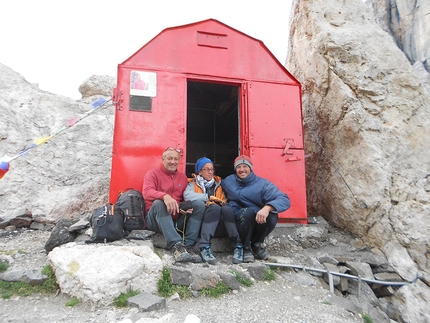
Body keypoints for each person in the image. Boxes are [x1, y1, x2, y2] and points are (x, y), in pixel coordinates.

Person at [222, 155, 291, 263]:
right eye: (239, 167)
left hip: (256, 220)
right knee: (246, 213)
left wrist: (267, 207)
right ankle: (246, 248)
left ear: (250, 168)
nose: (242, 170)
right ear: (235, 169)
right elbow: (214, 183)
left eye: (245, 166)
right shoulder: (229, 181)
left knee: (272, 215)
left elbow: (284, 199)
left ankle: (257, 243)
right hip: (237, 219)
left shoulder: (263, 184)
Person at [142, 147, 205, 263]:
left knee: (199, 205)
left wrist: (183, 208)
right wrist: (165, 196)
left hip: (176, 220)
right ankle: (176, 246)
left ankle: (188, 246)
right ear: (163, 159)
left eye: (176, 159)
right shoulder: (152, 174)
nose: (173, 161)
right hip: (156, 220)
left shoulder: (182, 177)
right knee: (159, 203)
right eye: (169, 158)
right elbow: (146, 193)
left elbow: (182, 200)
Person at [184, 157, 243, 265]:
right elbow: (187, 195)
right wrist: (208, 198)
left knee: (226, 209)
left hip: (219, 222)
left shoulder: (219, 184)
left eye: (212, 169)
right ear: (200, 171)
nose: (210, 172)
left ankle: (238, 246)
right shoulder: (192, 183)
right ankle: (204, 246)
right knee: (214, 207)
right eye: (207, 169)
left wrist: (215, 202)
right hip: (202, 223)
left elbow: (224, 200)